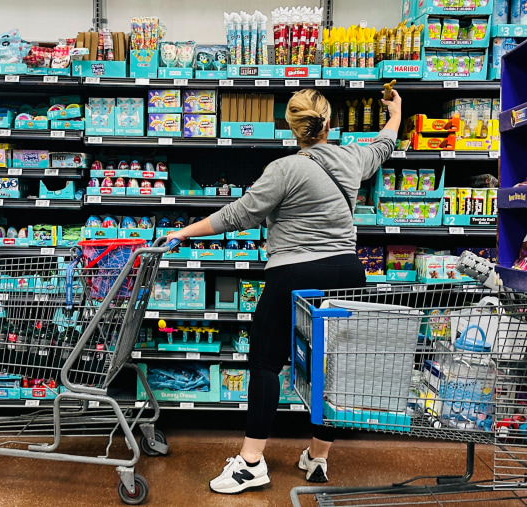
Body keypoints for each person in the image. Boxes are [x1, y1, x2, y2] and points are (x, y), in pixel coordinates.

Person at [166, 88, 402, 494]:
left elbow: (238, 215)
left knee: (265, 362)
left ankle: (251, 464)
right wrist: (395, 113)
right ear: (329, 125)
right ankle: (317, 457)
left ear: (292, 128)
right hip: (347, 271)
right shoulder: (351, 157)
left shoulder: (284, 168)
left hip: (293, 272)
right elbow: (383, 145)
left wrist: (184, 231)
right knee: (335, 368)